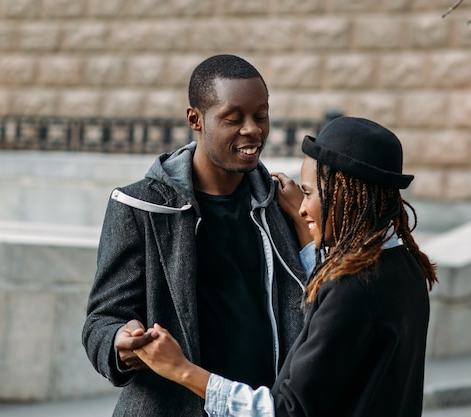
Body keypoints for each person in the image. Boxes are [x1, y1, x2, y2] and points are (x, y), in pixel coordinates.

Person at [134, 116, 439, 417]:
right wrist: (306, 230)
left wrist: (182, 370)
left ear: (345, 194)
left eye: (309, 192)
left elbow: (286, 411)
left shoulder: (353, 288)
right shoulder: (406, 267)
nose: (303, 206)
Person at [81, 54, 310, 417]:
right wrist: (118, 342)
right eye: (233, 119)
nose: (252, 130)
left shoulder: (279, 203)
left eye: (261, 115)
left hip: (262, 407)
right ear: (195, 120)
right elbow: (101, 320)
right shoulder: (141, 207)